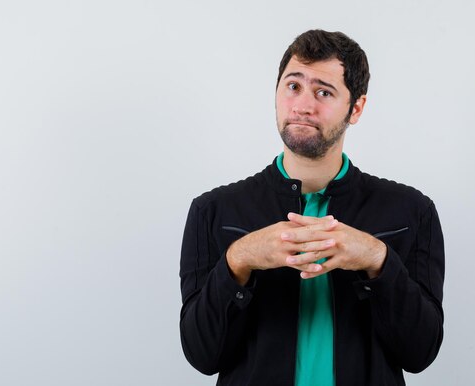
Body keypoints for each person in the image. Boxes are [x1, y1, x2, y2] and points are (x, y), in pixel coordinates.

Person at [179, 29, 445, 386]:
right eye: (293, 86)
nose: (303, 105)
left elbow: (420, 353)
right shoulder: (213, 211)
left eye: (324, 91)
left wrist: (379, 260)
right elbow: (202, 355)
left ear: (357, 108)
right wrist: (238, 260)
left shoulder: (412, 212)